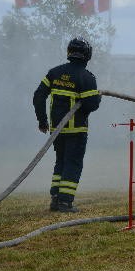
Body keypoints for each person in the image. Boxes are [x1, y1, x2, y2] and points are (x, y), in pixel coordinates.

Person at [33, 37, 101, 212]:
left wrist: (42, 121)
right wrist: (96, 96)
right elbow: (92, 105)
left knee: (61, 162)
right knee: (73, 163)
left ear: (69, 52)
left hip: (57, 130)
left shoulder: (54, 73)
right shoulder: (86, 77)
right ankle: (65, 202)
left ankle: (56, 199)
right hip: (76, 131)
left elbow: (39, 96)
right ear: (87, 55)